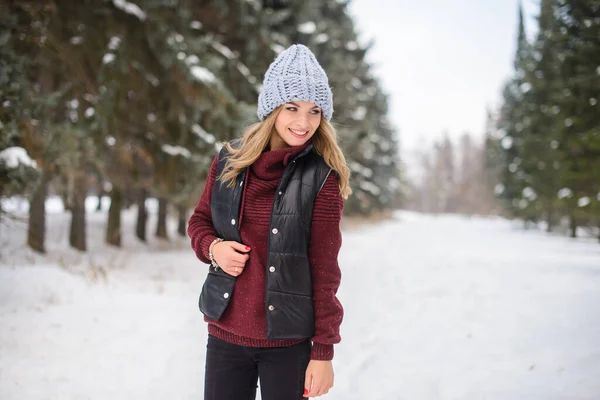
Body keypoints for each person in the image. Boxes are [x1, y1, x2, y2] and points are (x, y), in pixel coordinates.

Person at [187, 43, 351, 400]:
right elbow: (199, 221)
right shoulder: (229, 161)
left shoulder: (322, 180)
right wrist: (213, 248)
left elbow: (325, 271)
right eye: (292, 108)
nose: (304, 122)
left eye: (314, 111)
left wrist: (323, 352)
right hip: (225, 334)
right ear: (273, 108)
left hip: (288, 344)